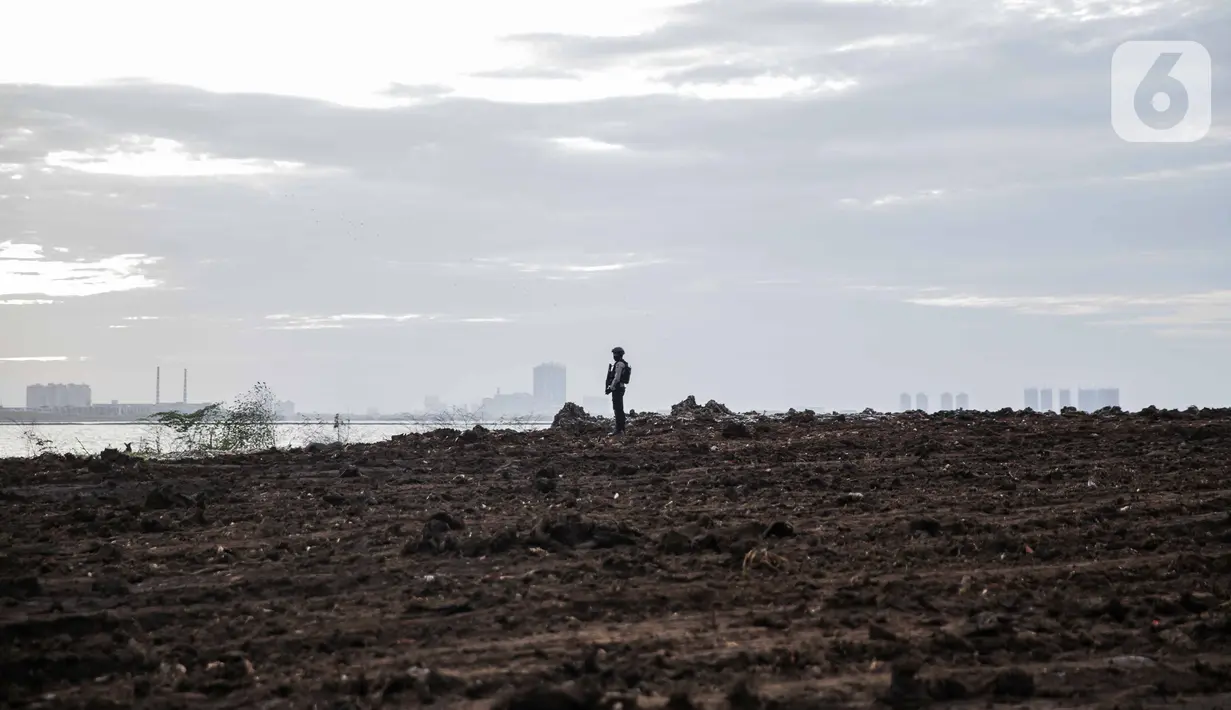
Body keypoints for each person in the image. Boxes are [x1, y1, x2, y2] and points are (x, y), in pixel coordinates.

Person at [605, 346, 630, 435]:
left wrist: (610, 388)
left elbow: (617, 378)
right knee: (618, 408)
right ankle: (620, 428)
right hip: (619, 387)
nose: (614, 356)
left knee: (618, 409)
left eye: (615, 354)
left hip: (618, 388)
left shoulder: (619, 364)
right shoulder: (621, 363)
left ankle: (619, 429)